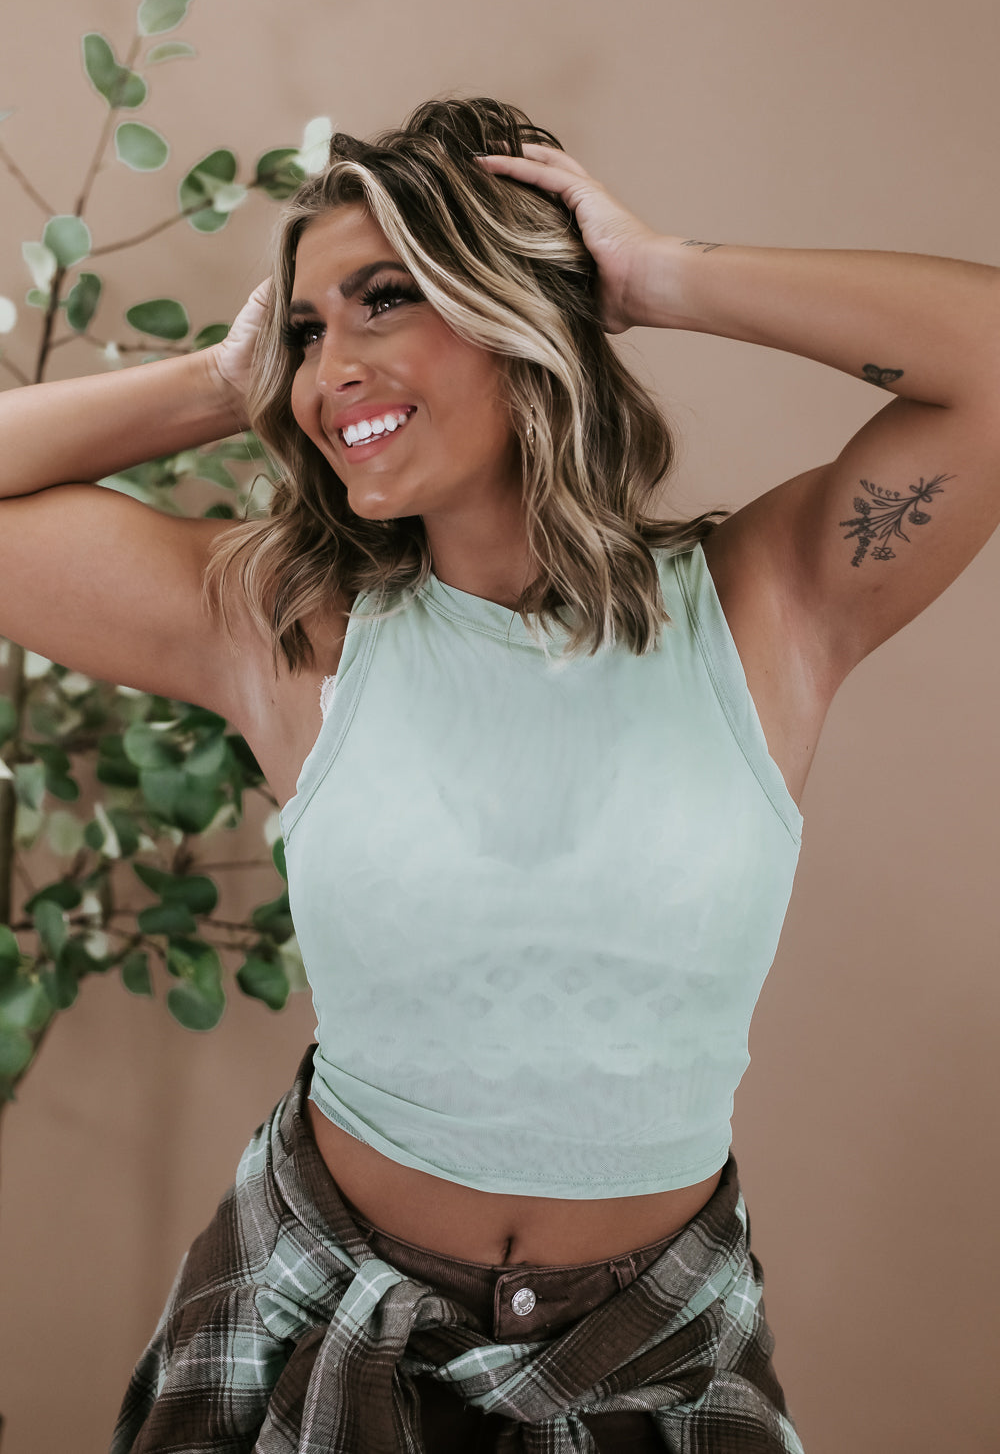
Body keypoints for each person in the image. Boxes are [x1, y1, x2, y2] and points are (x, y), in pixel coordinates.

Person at [1, 96, 997, 1452]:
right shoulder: (290, 631)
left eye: (384, 300)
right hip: (313, 1315)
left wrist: (658, 277)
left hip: (658, 1354)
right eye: (307, 333)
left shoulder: (768, 606)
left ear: (512, 306)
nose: (329, 368)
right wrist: (221, 381)